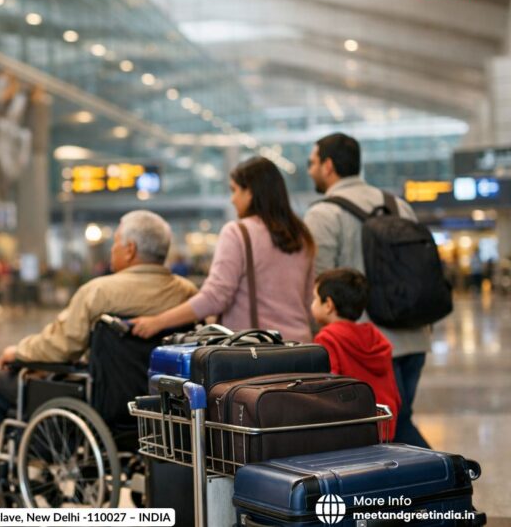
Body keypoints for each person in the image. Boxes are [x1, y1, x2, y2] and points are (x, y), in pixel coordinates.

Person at [0, 210, 197, 498]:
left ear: (130, 250)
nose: (112, 249)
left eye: (116, 242)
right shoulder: (187, 294)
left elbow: (61, 344)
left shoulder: (100, 291)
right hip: (162, 406)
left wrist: (18, 352)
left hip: (106, 404)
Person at [304, 132, 430, 448]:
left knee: (390, 429)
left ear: (328, 165)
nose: (309, 170)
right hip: (414, 337)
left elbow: (319, 284)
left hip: (364, 345)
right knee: (396, 425)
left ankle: (454, 486)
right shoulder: (397, 205)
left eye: (313, 162)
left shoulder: (323, 214)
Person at [132, 157, 315, 343]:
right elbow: (309, 302)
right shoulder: (301, 236)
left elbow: (216, 297)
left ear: (250, 192)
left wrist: (157, 321)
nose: (232, 199)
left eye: (234, 190)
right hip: (299, 347)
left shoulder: (238, 232)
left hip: (257, 352)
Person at [311, 268, 400, 439]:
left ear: (328, 305)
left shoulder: (328, 338)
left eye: (315, 298)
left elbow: (327, 391)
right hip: (385, 424)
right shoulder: (375, 336)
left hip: (352, 430)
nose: (311, 304)